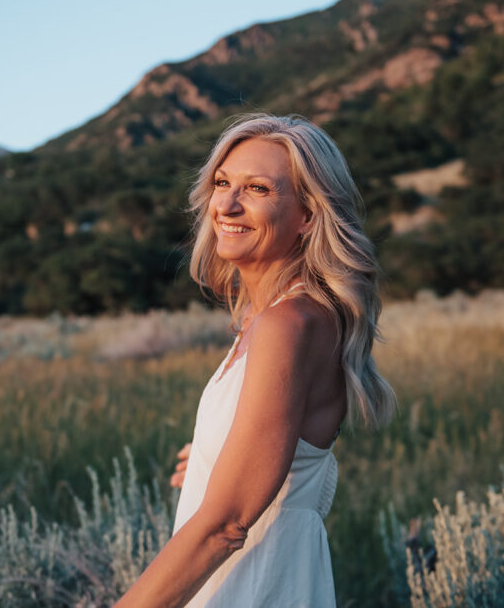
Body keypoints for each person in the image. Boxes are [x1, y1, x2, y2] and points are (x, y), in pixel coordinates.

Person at [116, 114, 396, 607]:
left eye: (258, 189)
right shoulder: (274, 319)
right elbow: (296, 458)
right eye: (222, 183)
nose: (226, 204)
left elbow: (225, 525)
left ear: (309, 214)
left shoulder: (288, 325)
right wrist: (213, 454)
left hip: (255, 588)